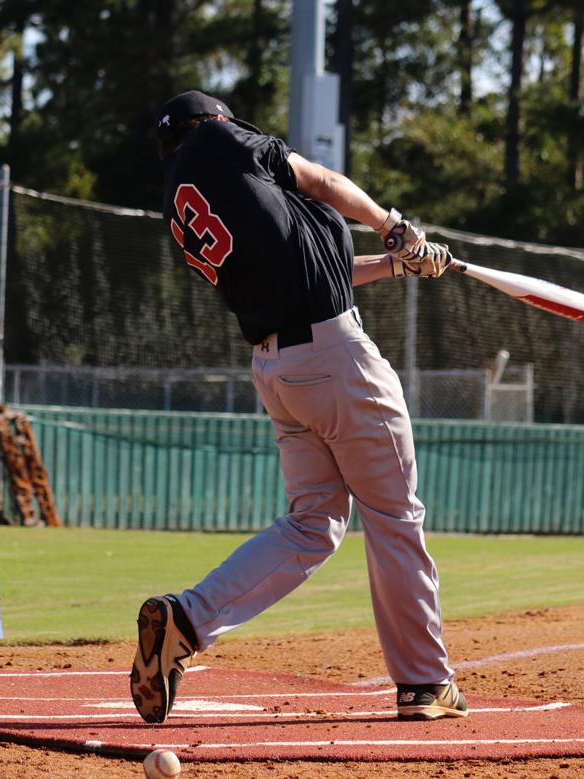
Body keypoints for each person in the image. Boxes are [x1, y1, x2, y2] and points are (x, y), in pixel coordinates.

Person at [130, 90, 466, 724]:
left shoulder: (191, 195)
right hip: (337, 361)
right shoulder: (219, 141)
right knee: (394, 517)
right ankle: (424, 682)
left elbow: (325, 264)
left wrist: (399, 264)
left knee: (315, 523)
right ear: (213, 124)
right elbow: (325, 178)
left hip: (279, 369)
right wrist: (397, 227)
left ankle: (188, 618)